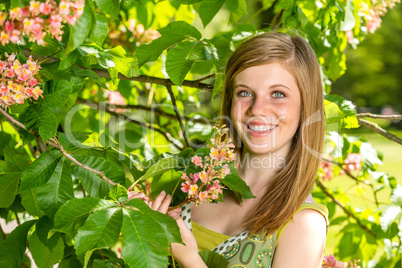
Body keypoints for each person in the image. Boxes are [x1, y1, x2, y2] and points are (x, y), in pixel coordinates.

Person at [134, 31, 328, 267]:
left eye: (278, 94)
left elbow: (184, 254)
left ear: (306, 105)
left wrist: (188, 258)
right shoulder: (197, 183)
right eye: (244, 93)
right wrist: (141, 227)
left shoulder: (303, 223)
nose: (257, 109)